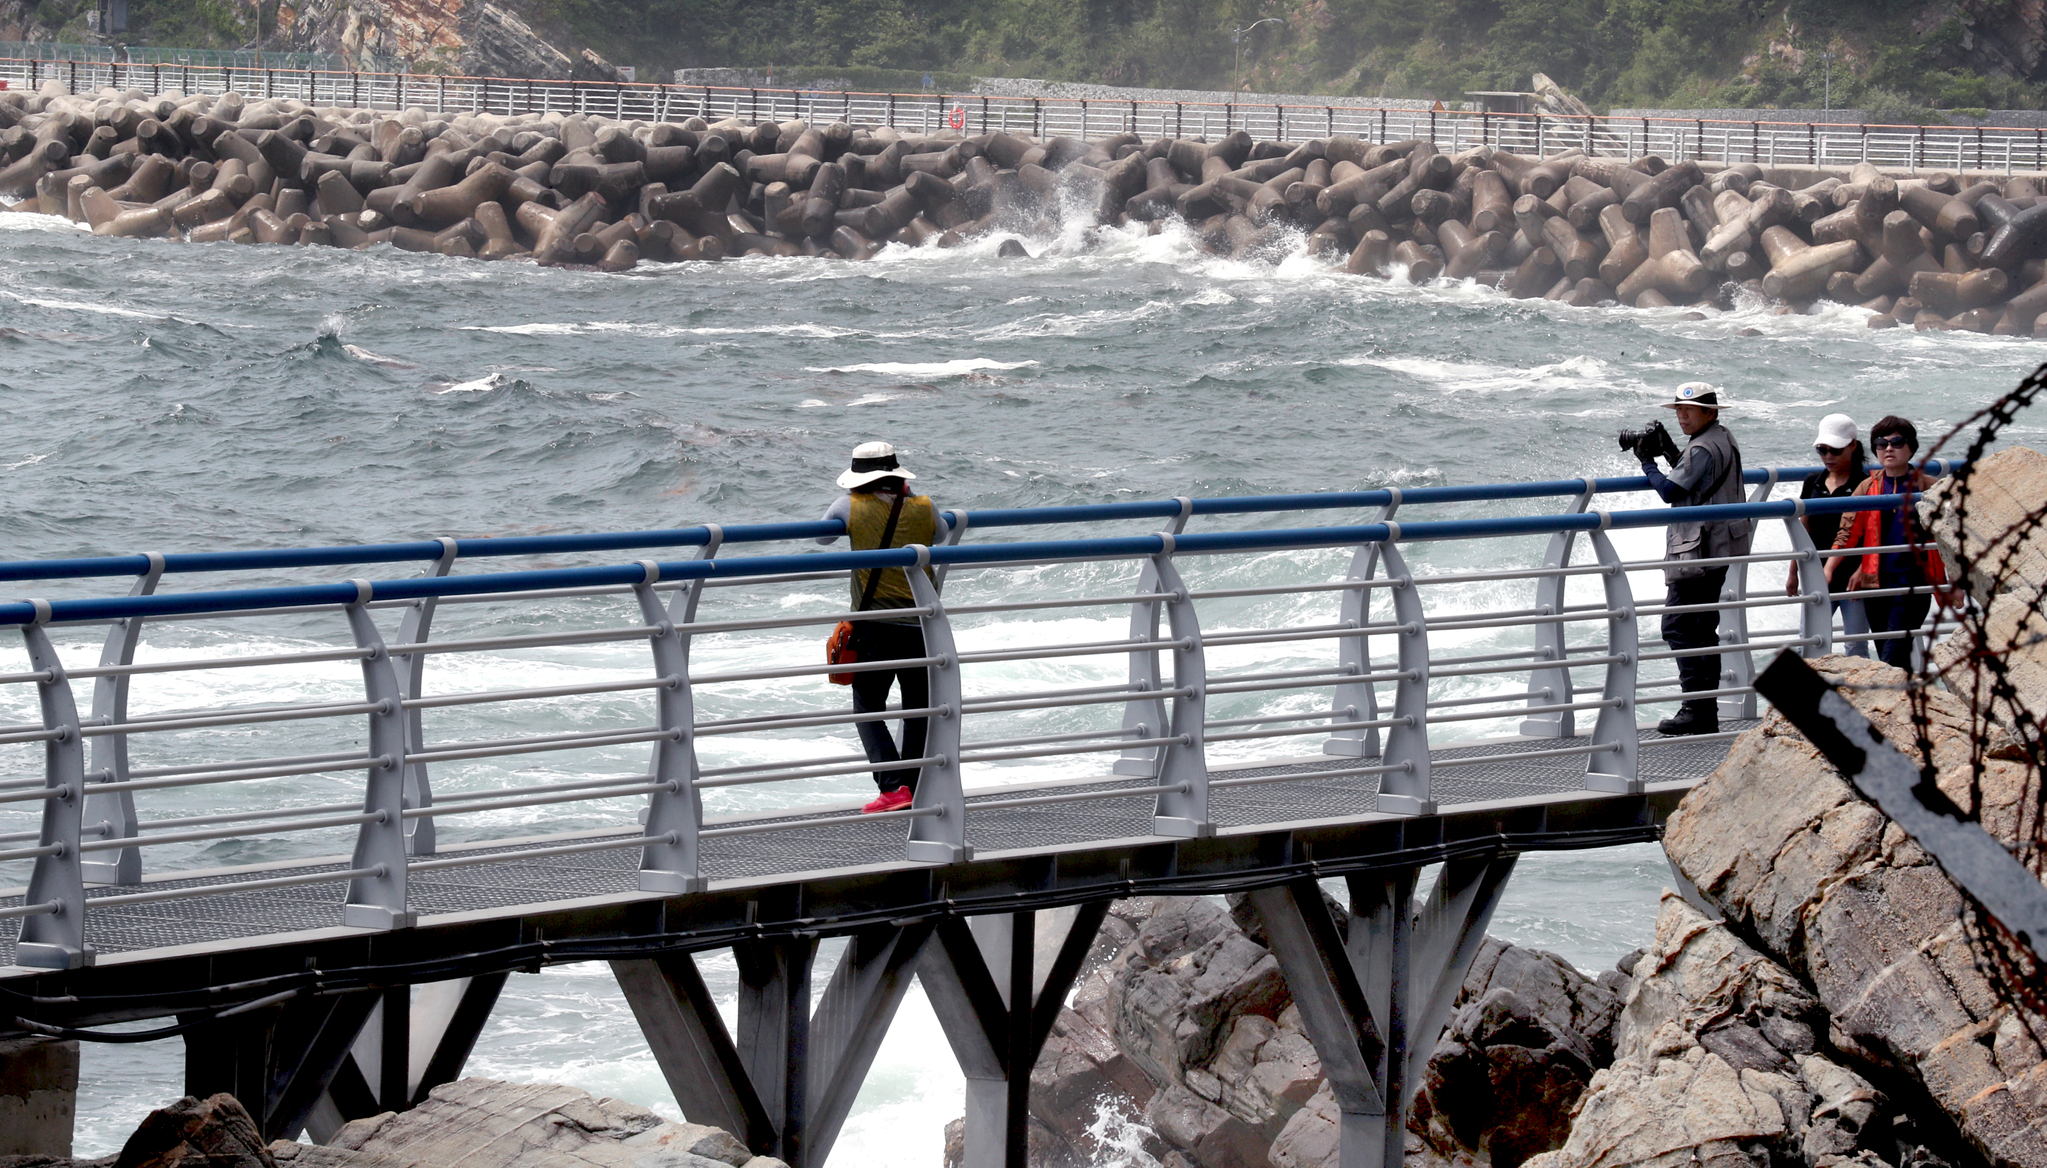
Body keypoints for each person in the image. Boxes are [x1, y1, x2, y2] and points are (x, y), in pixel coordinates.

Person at [817, 441, 952, 814]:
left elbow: (822, 536)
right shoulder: (924, 505)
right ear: (897, 475)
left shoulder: (849, 505)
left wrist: (852, 502)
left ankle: (892, 787)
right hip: (922, 624)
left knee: (867, 706)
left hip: (875, 624)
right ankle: (911, 786)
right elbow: (940, 535)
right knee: (917, 708)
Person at [1632, 382, 1752, 736]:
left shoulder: (1701, 447)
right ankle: (1704, 709)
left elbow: (1671, 490)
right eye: (1678, 411)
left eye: (1689, 410)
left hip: (1700, 548)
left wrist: (1646, 462)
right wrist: (1671, 451)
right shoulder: (1722, 437)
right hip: (1720, 545)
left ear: (1709, 413)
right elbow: (1700, 480)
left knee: (1679, 627)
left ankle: (1696, 708)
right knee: (1701, 627)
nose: (1682, 416)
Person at [1834, 416, 1949, 670]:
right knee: (1897, 660)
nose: (1888, 448)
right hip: (1876, 587)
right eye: (1880, 443)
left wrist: (1957, 583)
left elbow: (1952, 538)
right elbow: (1847, 532)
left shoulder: (1929, 487)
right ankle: (1909, 704)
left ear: (1911, 447)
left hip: (1913, 586)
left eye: (1896, 442)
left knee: (1890, 659)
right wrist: (1834, 568)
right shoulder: (1867, 487)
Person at [1784, 414, 1871, 657]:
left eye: (1835, 450)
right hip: (1816, 573)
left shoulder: (1866, 484)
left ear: (1853, 446)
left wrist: (1862, 570)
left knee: (1855, 645)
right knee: (1808, 641)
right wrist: (1793, 572)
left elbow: (1875, 533)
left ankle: (1859, 695)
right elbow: (1804, 529)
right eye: (1822, 450)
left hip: (1853, 579)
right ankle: (1808, 693)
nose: (1828, 457)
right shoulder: (1813, 481)